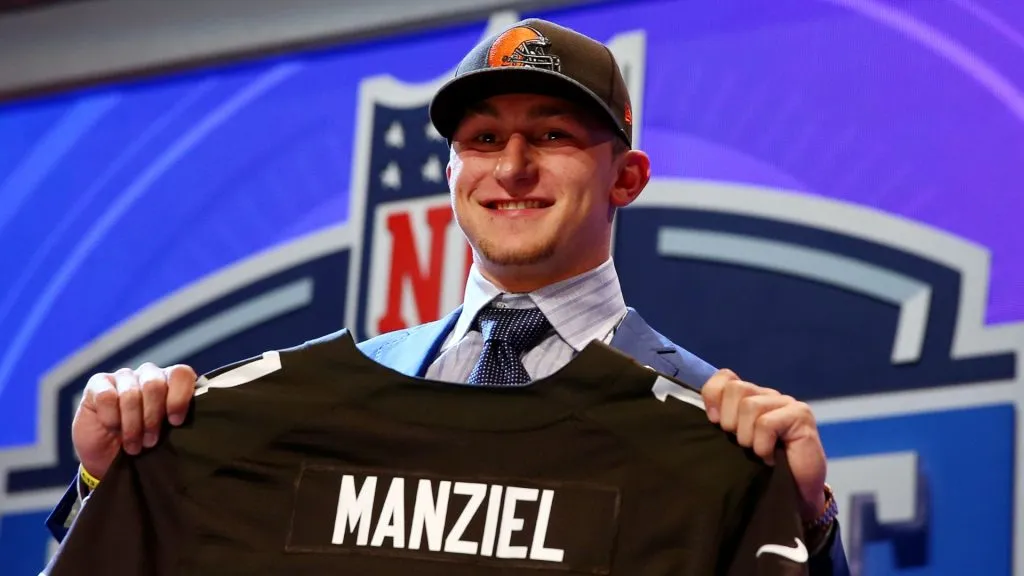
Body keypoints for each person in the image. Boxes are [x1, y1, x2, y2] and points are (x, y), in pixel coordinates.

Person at [47, 17, 850, 575]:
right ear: (449, 174)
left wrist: (805, 518)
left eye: (553, 135)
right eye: (483, 140)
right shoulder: (300, 411)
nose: (513, 168)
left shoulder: (712, 432)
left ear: (627, 176)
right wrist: (107, 479)